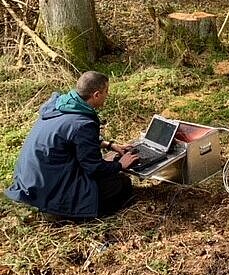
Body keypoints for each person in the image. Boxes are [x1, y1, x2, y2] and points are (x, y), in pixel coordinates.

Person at [4, 71, 139, 219]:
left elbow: (68, 137)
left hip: (30, 181)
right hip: (49, 190)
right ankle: (58, 213)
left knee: (108, 165)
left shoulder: (60, 105)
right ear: (96, 95)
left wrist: (108, 145)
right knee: (122, 184)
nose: (107, 95)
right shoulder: (83, 124)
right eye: (106, 91)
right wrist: (120, 165)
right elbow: (93, 169)